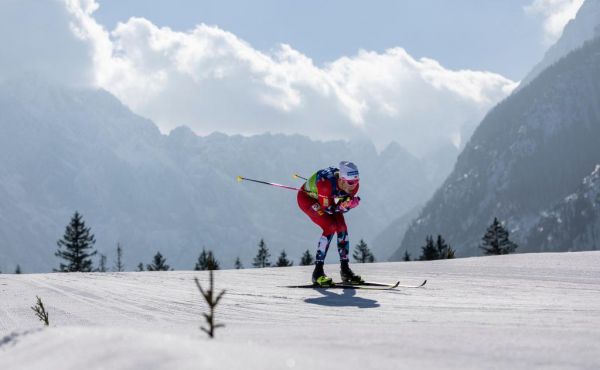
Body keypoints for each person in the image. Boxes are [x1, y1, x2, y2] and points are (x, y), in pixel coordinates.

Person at [297, 161, 363, 286]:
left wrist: (347, 204)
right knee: (330, 226)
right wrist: (345, 206)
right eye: (350, 183)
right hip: (308, 200)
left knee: (342, 227)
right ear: (342, 180)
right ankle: (317, 273)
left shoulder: (353, 185)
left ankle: (345, 270)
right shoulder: (326, 184)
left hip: (327, 200)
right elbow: (328, 210)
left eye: (356, 182)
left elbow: (342, 203)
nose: (353, 186)